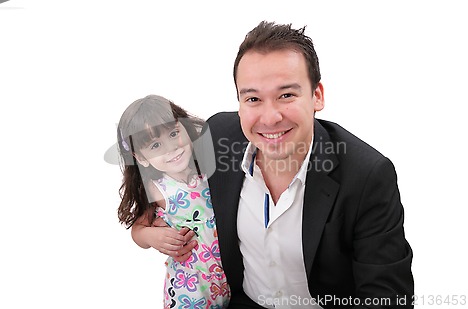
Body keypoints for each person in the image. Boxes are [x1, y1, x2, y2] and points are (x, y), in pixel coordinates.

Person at [165, 21, 414, 308]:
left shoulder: (367, 174)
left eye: (286, 95)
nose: (269, 118)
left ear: (317, 96)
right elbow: (162, 185)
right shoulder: (216, 136)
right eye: (253, 98)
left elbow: (388, 296)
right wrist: (151, 234)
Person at [117, 95, 231, 309]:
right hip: (190, 288)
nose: (170, 148)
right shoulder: (156, 188)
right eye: (156, 145)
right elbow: (138, 229)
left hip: (230, 278)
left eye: (173, 133)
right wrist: (151, 236)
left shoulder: (207, 168)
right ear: (140, 157)